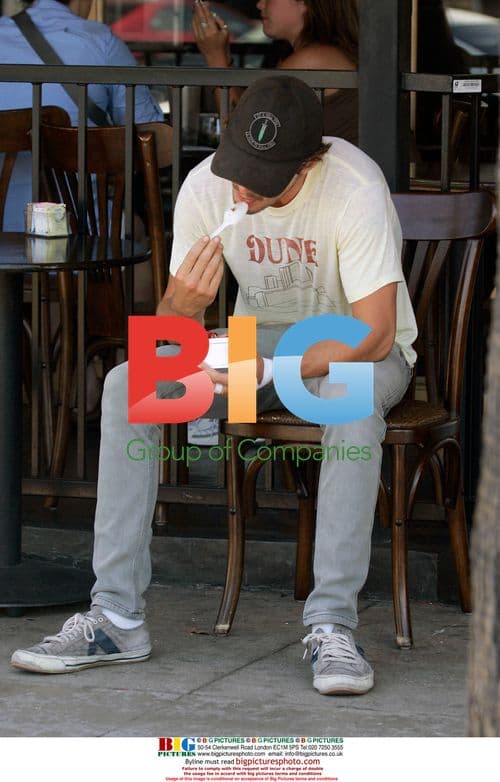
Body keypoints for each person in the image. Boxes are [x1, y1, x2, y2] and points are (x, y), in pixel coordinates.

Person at [11, 75, 417, 696]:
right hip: (258, 349)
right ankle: (116, 617)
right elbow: (172, 341)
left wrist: (272, 372)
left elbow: (375, 336)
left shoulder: (353, 186)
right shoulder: (208, 188)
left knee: (350, 401)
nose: (242, 192)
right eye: (236, 170)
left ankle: (331, 623)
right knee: (126, 385)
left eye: (264, 180)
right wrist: (177, 307)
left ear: (310, 161)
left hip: (350, 350)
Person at [0, 0, 163, 231]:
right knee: (134, 230)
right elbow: (151, 135)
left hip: (4, 241)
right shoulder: (101, 41)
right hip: (80, 233)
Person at [193, 0, 359, 144]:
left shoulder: (312, 60)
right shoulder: (314, 55)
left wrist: (215, 57)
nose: (259, 4)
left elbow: (246, 134)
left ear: (304, 3)